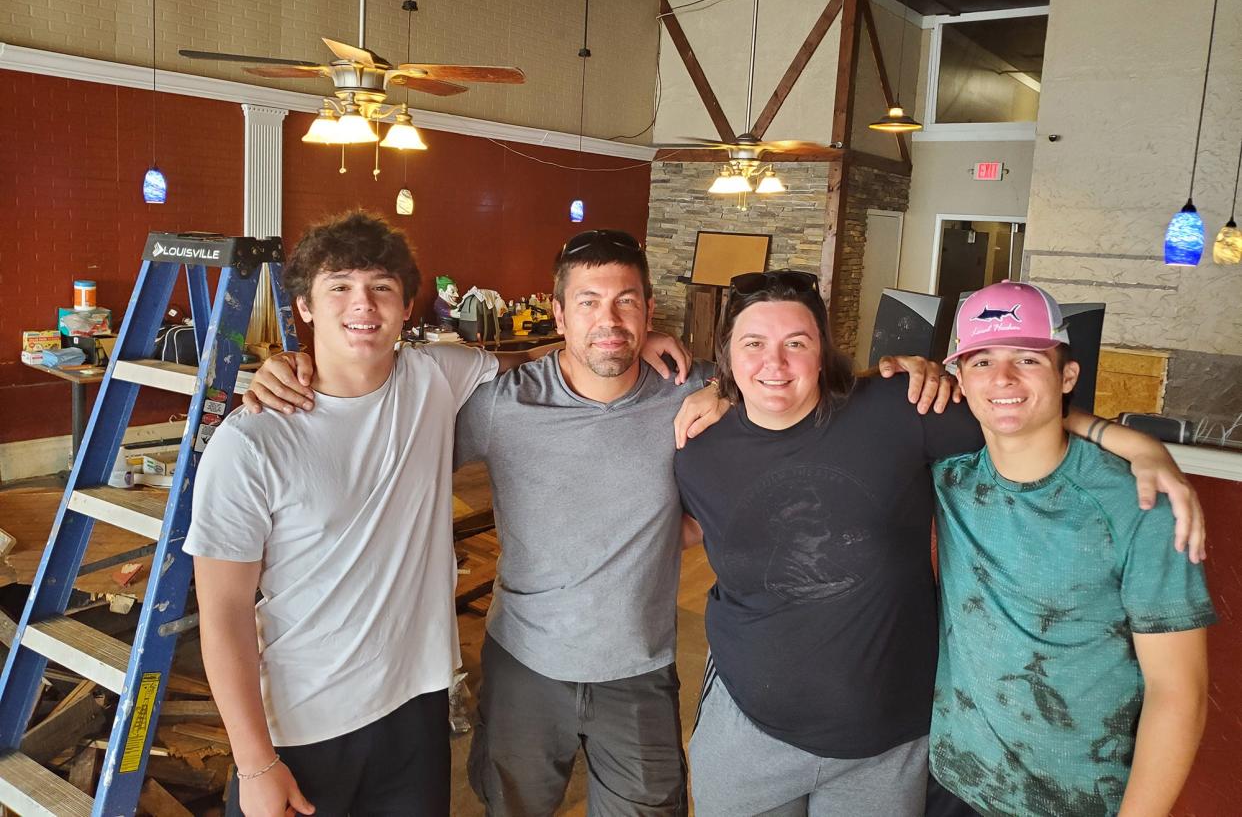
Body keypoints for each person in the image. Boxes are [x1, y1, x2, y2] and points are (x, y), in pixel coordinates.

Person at [243, 231, 952, 817]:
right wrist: (299, 368)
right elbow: (379, 411)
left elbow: (780, 375)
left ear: (650, 312)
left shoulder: (696, 390)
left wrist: (900, 372)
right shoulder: (499, 402)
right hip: (524, 665)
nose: (607, 321)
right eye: (588, 302)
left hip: (639, 670)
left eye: (625, 303)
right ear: (557, 312)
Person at [187, 213, 686, 817]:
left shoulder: (434, 377)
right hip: (303, 723)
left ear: (405, 306)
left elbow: (545, 360)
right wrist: (255, 763)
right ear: (305, 306)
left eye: (381, 288)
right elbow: (222, 614)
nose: (362, 306)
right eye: (339, 286)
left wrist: (625, 336)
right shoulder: (251, 442)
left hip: (416, 712)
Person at [672, 270, 1206, 817]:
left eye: (797, 343)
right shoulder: (698, 450)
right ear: (727, 353)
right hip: (773, 730)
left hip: (900, 746)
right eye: (753, 343)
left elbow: (1014, 411)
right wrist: (718, 390)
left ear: (822, 350)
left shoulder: (904, 412)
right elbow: (685, 529)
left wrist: (1130, 439)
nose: (775, 362)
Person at [930, 281, 1215, 817]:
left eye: (1028, 359)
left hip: (1079, 801)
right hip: (952, 779)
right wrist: (721, 392)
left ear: (1067, 376)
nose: (1003, 378)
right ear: (960, 381)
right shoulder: (949, 473)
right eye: (982, 361)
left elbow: (1179, 694)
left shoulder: (1140, 505)